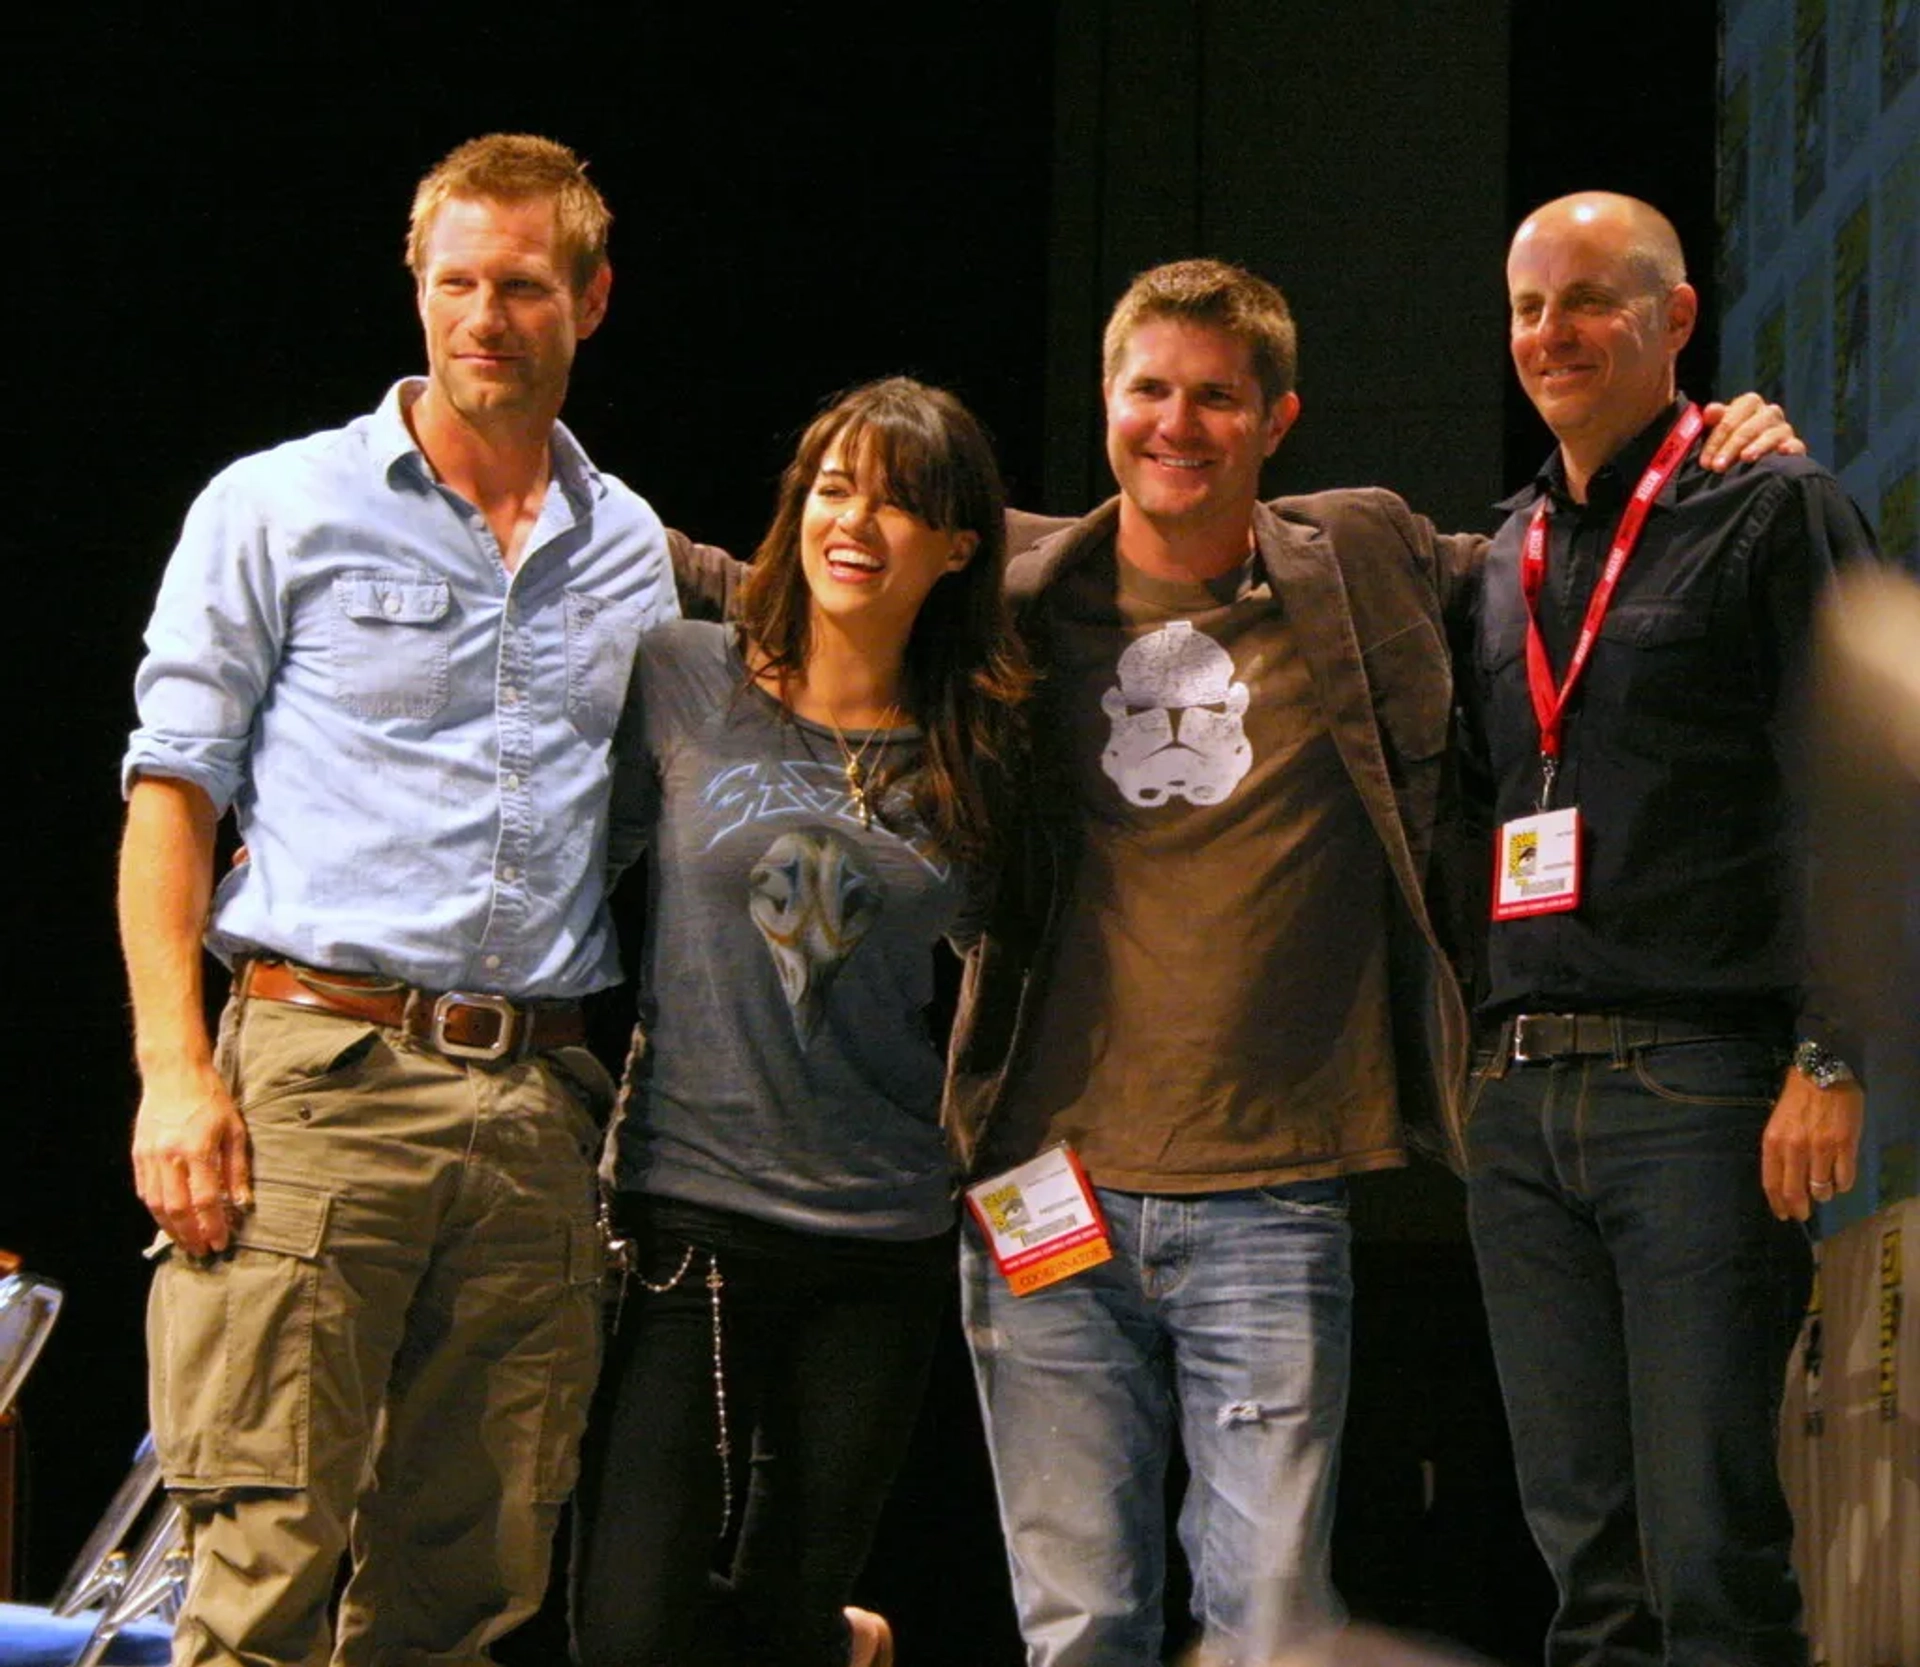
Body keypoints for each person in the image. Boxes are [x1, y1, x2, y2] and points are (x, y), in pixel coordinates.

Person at [942, 257, 1800, 1667]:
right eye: (1149, 389)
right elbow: (793, 583)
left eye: (1217, 396)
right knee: (1079, 1626)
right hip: (1048, 1185)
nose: (1178, 423)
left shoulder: (1361, 562)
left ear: (1278, 416)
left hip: (1268, 1198)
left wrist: (1719, 456)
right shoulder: (1015, 590)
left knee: (1272, 1629)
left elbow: (1582, 561)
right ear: (1106, 401)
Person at [117, 134, 677, 1666]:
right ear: (419, 291)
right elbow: (172, 792)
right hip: (318, 1081)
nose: (484, 316)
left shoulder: (630, 550)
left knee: (469, 1579)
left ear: (592, 298)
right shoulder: (278, 504)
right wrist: (176, 1069)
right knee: (262, 1560)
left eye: (523, 285)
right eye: (456, 284)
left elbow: (639, 817)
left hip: (535, 1105)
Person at [1460, 192, 1871, 1667]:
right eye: (1526, 307)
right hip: (1517, 1109)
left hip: (1697, 1089)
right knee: (1593, 1576)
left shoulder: (1771, 507)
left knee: (1710, 1555)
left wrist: (1832, 1052)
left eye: (1589, 301)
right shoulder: (1496, 557)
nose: (1550, 334)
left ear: (1677, 319)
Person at [570, 377, 1030, 1667]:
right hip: (690, 1211)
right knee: (628, 1629)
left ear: (958, 547)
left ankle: (832, 1638)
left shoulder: (979, 744)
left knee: (784, 1615)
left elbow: (1026, 968)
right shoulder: (683, 674)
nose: (857, 525)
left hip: (882, 1232)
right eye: (836, 490)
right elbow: (567, 876)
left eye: (902, 506)